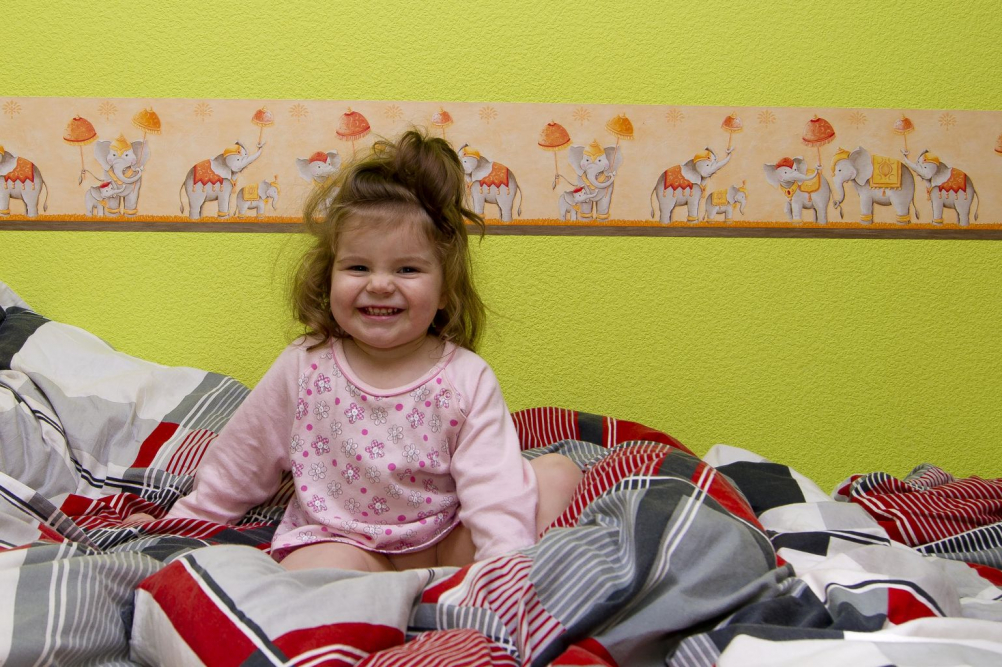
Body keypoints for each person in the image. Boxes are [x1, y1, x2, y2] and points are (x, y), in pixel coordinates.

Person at [125, 130, 582, 572]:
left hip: (444, 546)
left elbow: (493, 487)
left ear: (446, 289)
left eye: (407, 269)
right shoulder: (305, 365)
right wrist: (183, 522)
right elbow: (240, 461)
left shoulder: (467, 376)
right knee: (310, 571)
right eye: (358, 267)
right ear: (329, 277)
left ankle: (477, 589)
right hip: (347, 545)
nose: (380, 284)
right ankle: (382, 599)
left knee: (557, 474)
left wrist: (503, 566)